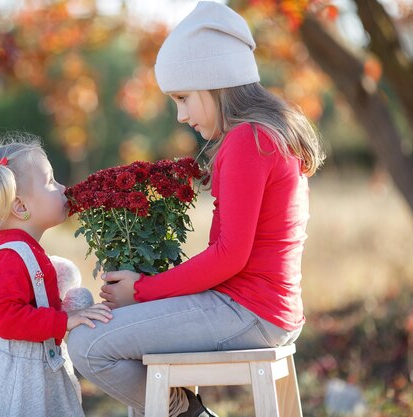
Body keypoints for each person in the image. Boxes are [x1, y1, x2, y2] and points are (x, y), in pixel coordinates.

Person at [67, 2, 325, 417]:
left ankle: (188, 414)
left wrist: (142, 292)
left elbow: (230, 256)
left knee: (88, 343)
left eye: (183, 98)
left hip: (247, 311)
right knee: (128, 343)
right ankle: (179, 408)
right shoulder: (267, 133)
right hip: (261, 308)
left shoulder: (248, 141)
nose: (181, 115)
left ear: (216, 82)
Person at [0, 133, 113, 417]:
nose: (63, 188)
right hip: (14, 380)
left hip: (31, 371)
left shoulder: (25, 250)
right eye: (50, 182)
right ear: (21, 207)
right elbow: (3, 317)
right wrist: (64, 320)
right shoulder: (11, 257)